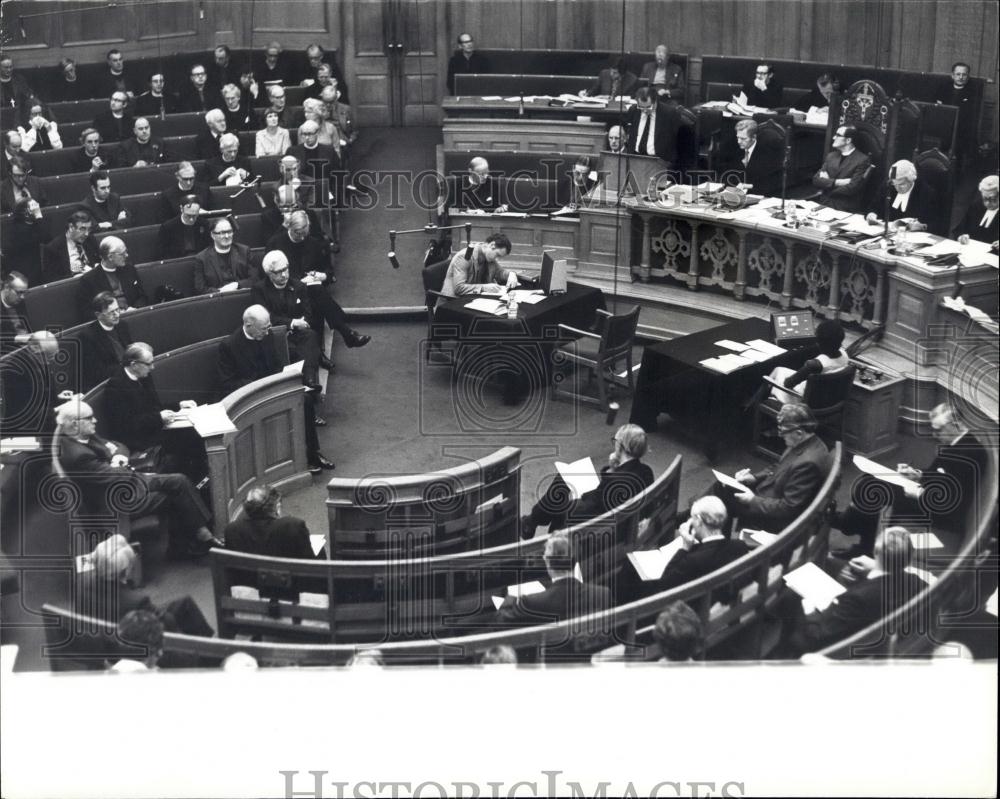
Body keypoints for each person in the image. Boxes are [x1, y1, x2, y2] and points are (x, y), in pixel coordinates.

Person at [53, 398, 221, 556]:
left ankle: (199, 535)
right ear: (75, 424)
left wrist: (117, 457)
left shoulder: (83, 434)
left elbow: (118, 446)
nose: (95, 421)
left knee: (178, 481)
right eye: (90, 418)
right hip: (117, 502)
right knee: (176, 488)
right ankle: (196, 539)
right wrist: (133, 470)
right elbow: (115, 476)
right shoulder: (78, 456)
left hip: (124, 483)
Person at [833, 403, 989, 557]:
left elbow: (953, 501)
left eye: (938, 430)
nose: (934, 435)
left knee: (873, 488)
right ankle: (859, 537)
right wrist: (916, 474)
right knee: (869, 479)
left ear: (954, 424)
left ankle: (851, 527)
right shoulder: (957, 442)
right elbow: (939, 474)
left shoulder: (970, 454)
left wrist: (918, 493)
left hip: (942, 513)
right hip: (930, 495)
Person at [217, 305, 335, 474]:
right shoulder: (229, 346)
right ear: (249, 325)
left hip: (272, 389)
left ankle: (312, 454)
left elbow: (277, 366)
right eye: (263, 329)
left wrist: (285, 376)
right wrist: (259, 385)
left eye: (268, 328)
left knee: (306, 400)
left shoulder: (267, 335)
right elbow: (227, 383)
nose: (267, 332)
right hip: (249, 397)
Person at [782, 526, 927, 655]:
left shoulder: (857, 598)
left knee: (791, 598)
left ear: (875, 551)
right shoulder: (917, 583)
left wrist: (810, 611)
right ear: (909, 558)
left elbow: (818, 636)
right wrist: (875, 568)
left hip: (836, 648)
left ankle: (783, 653)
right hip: (885, 634)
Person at [688, 403, 830, 533]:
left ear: (799, 433)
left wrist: (753, 500)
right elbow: (779, 467)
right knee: (722, 487)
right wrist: (754, 478)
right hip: (769, 494)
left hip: (774, 516)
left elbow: (789, 508)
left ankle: (691, 517)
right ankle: (693, 516)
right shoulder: (807, 443)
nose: (780, 436)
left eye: (783, 432)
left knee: (722, 494)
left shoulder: (808, 463)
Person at [521, 423, 654, 539]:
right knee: (564, 481)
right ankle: (531, 521)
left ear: (620, 446)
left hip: (602, 531)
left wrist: (578, 499)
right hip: (622, 520)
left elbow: (588, 507)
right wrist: (612, 469)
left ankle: (532, 522)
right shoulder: (646, 471)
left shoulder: (613, 482)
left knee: (560, 500)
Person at [618, 496, 750, 604]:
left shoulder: (693, 560)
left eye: (692, 517)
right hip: (716, 600)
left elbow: (665, 584)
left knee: (631, 570)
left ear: (698, 521)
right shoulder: (739, 545)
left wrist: (685, 547)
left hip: (689, 606)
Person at [103, 342, 205, 479]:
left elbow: (154, 406)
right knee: (187, 440)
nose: (153, 367)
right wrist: (158, 418)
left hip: (152, 428)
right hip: (137, 440)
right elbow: (126, 426)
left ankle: (201, 479)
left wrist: (178, 405)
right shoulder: (115, 387)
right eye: (148, 364)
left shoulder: (143, 376)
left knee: (195, 433)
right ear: (134, 365)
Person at [495, 533, 611, 627]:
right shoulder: (603, 594)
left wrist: (512, 597)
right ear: (574, 560)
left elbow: (500, 621)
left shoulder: (531, 602)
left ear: (547, 561)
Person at [250, 249, 327, 382]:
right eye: (278, 272)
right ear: (269, 273)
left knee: (311, 336)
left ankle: (310, 379)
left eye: (286, 269)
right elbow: (266, 317)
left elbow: (308, 313)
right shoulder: (259, 289)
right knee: (295, 350)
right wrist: (291, 322)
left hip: (299, 332)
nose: (284, 275)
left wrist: (301, 323)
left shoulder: (299, 286)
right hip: (272, 333)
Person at [762, 318, 849, 405]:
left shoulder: (815, 364)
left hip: (802, 400)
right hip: (824, 398)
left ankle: (761, 403)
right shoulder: (845, 355)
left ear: (819, 342)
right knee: (778, 369)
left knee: (770, 380)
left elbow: (788, 384)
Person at [224, 484, 320, 559]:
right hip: (291, 583)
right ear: (277, 508)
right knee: (320, 551)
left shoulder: (232, 530)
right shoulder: (292, 526)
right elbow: (309, 562)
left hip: (248, 583)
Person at [0, 331, 59, 435]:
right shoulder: (14, 372)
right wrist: (57, 409)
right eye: (48, 357)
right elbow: (26, 413)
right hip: (28, 430)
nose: (50, 362)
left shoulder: (38, 358)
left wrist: (61, 399)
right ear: (34, 349)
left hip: (46, 419)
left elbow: (46, 395)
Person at [76, 237, 149, 320]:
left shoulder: (130, 270)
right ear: (110, 257)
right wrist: (110, 315)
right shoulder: (89, 280)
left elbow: (142, 296)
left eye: (126, 252)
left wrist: (135, 309)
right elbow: (86, 312)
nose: (127, 255)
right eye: (122, 253)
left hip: (135, 316)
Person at [75, 291, 135, 390]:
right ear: (98, 315)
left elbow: (130, 351)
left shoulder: (122, 325)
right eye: (111, 312)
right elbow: (97, 371)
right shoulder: (87, 336)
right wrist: (127, 368)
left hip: (128, 373)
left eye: (117, 309)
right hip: (112, 383)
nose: (116, 315)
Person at [864, 159, 940, 236]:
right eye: (894, 184)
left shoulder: (926, 193)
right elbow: (873, 206)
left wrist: (923, 227)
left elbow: (938, 225)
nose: (897, 188)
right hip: (884, 234)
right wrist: (871, 214)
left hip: (911, 238)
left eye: (901, 184)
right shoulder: (889, 185)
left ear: (911, 180)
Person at [439, 232, 518, 302]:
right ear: (492, 245)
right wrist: (484, 287)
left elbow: (500, 272)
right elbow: (459, 288)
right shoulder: (464, 256)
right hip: (452, 301)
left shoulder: (489, 257)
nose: (497, 259)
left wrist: (511, 274)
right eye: (497, 255)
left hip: (472, 299)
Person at [812, 125, 871, 213]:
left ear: (848, 140)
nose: (833, 137)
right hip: (824, 204)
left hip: (844, 207)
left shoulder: (862, 160)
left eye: (838, 135)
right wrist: (838, 182)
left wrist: (827, 184)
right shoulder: (831, 156)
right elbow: (816, 180)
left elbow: (853, 187)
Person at [193, 216, 258, 294]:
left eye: (229, 231)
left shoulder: (244, 251)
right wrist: (221, 292)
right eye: (222, 233)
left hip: (242, 296)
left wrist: (237, 285)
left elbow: (255, 279)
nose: (227, 236)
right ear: (212, 235)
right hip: (217, 301)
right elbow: (200, 289)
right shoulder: (201, 258)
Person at [624, 87, 681, 167]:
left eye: (648, 107)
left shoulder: (669, 113)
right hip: (635, 158)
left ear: (655, 101)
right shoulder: (633, 110)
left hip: (659, 161)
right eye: (641, 107)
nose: (644, 111)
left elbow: (676, 140)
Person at [936, 62, 977, 170]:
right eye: (958, 74)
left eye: (964, 74)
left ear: (968, 76)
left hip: (961, 131)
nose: (961, 77)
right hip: (943, 127)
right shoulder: (943, 89)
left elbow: (970, 116)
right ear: (952, 75)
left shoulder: (972, 92)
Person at [726, 119, 783, 197]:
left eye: (743, 139)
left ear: (754, 137)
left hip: (760, 195)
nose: (739, 141)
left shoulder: (767, 153)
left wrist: (749, 186)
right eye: (738, 137)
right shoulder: (734, 148)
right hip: (737, 194)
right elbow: (729, 173)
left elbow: (770, 183)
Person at [41, 210, 99, 283]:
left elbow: (98, 260)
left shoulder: (90, 239)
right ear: (71, 227)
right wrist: (73, 277)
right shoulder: (53, 248)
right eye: (82, 229)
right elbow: (51, 278)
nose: (87, 234)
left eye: (89, 229)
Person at [1, 199, 46, 284]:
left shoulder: (31, 224)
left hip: (34, 266)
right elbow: (43, 236)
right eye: (33, 207)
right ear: (26, 212)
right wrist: (39, 215)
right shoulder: (18, 230)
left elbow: (47, 237)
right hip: (25, 272)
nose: (37, 209)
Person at [157, 194, 211, 260]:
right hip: (177, 262)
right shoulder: (168, 227)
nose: (191, 219)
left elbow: (208, 248)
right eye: (188, 215)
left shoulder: (204, 224)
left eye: (195, 215)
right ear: (181, 209)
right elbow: (162, 253)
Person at [954, 174, 999, 249]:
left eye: (993, 199)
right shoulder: (976, 206)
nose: (988, 203)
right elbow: (958, 230)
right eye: (985, 199)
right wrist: (961, 237)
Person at [0, 272, 32, 356]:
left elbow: (27, 327)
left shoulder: (20, 302)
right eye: (19, 292)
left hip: (25, 349)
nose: (22, 297)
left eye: (24, 292)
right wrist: (20, 338)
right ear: (7, 287)